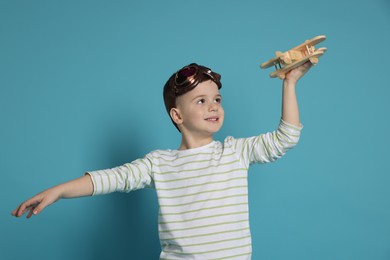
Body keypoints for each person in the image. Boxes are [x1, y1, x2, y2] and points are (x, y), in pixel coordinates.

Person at [12, 61, 312, 259]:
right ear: (177, 115)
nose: (213, 106)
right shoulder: (159, 163)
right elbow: (110, 178)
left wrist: (290, 83)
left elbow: (285, 138)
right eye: (201, 100)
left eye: (217, 99)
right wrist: (59, 191)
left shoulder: (235, 152)